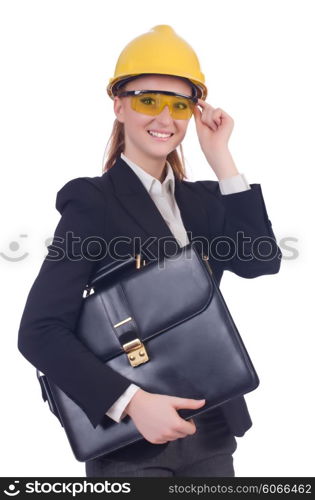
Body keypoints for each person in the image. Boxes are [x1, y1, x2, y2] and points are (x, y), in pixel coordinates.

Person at [18, 25, 282, 477]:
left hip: (211, 429)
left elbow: (261, 260)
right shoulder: (92, 203)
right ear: (119, 106)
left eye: (179, 104)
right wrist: (132, 403)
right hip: (130, 450)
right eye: (147, 100)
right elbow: (40, 331)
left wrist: (221, 157)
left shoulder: (202, 202)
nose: (165, 117)